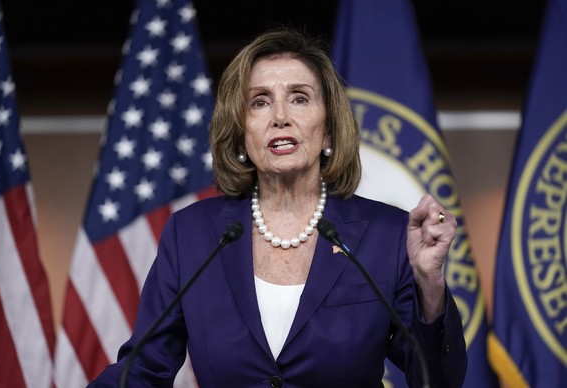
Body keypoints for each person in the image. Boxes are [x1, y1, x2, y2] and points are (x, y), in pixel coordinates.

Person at [89, 28, 467, 387]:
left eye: (300, 98)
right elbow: (143, 370)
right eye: (260, 102)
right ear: (241, 132)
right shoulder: (192, 235)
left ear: (330, 130)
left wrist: (430, 285)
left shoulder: (386, 234)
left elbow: (437, 379)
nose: (280, 116)